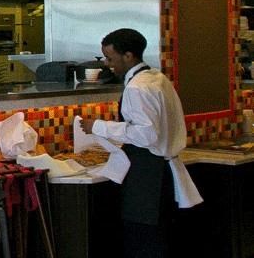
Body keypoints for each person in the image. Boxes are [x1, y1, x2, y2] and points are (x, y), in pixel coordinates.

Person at [79, 28, 201, 257]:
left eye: (110, 58)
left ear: (128, 56)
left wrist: (98, 126)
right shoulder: (158, 78)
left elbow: (146, 134)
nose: (107, 64)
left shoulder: (137, 87)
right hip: (163, 170)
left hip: (148, 175)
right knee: (160, 239)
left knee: (144, 242)